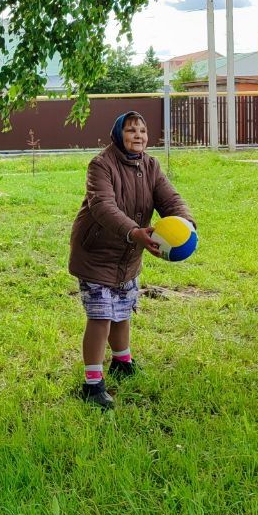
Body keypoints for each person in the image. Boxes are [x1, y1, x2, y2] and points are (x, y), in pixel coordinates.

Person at [67, 111, 194, 409]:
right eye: (130, 130)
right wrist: (134, 232)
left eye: (142, 130)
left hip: (128, 254)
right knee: (101, 316)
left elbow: (169, 198)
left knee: (123, 309)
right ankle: (92, 383)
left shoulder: (151, 165)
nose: (138, 135)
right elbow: (102, 206)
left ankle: (122, 362)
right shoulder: (101, 164)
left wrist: (185, 221)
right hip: (97, 252)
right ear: (117, 134)